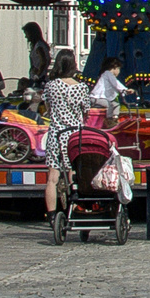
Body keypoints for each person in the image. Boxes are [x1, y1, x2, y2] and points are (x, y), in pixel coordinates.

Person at [41, 50, 89, 215]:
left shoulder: (51, 86)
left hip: (56, 133)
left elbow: (47, 108)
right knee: (73, 173)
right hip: (75, 135)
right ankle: (75, 208)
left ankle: (52, 215)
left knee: (52, 179)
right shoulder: (81, 87)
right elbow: (86, 112)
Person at [22, 22, 50, 88]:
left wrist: (37, 74)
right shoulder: (38, 45)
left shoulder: (39, 46)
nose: (26, 36)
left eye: (27, 34)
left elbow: (43, 61)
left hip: (38, 79)